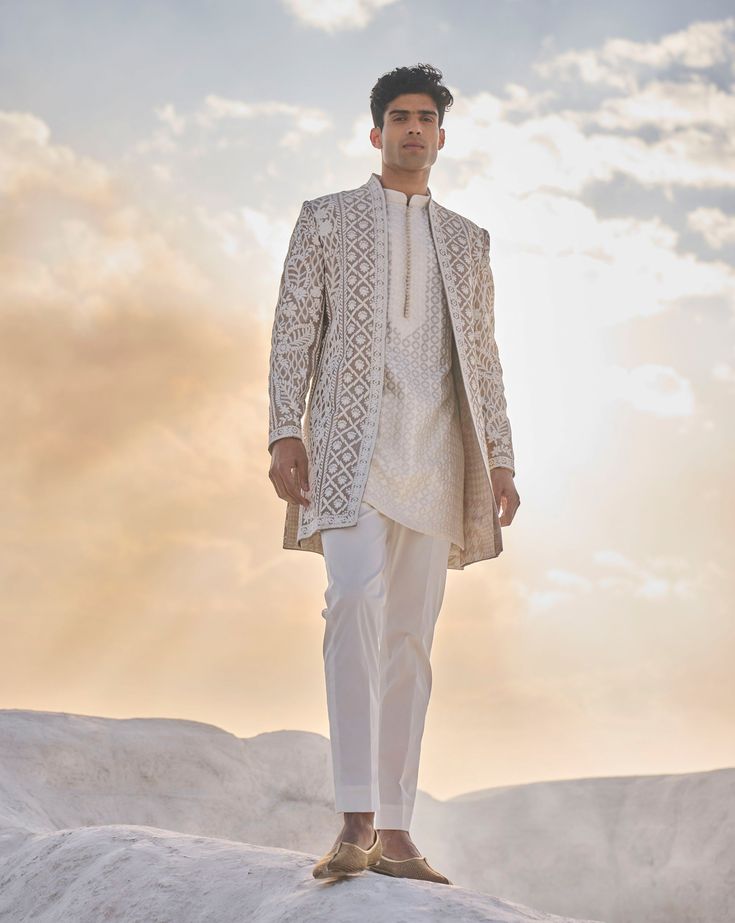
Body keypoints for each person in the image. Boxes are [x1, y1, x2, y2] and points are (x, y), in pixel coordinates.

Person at [267, 63, 520, 884]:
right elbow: (293, 329)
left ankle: (398, 830)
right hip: (348, 447)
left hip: (438, 452)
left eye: (426, 119)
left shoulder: (468, 239)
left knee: (411, 639)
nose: (413, 129)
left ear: (441, 137)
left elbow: (483, 358)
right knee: (351, 605)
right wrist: (283, 430)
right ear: (375, 133)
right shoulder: (326, 220)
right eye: (399, 117)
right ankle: (353, 818)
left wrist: (502, 456)